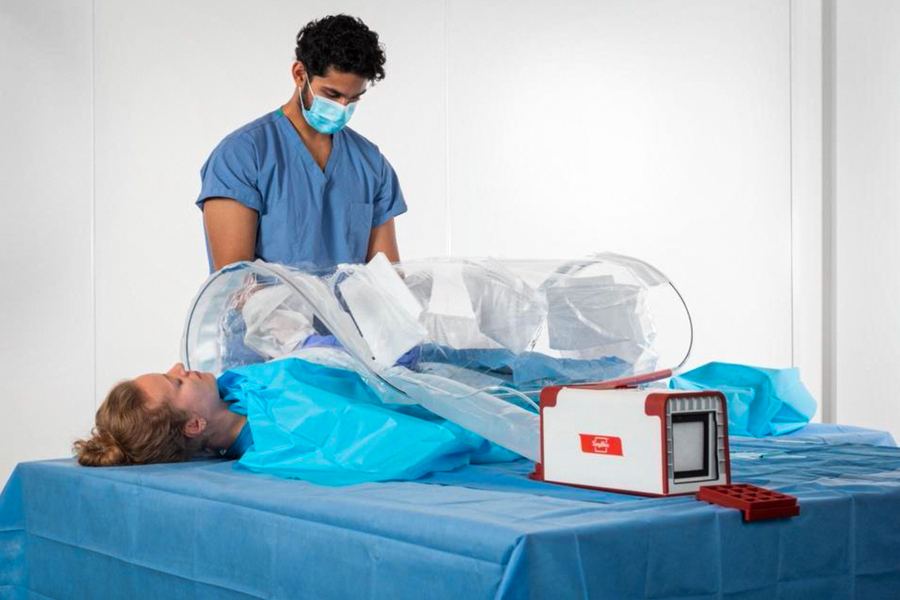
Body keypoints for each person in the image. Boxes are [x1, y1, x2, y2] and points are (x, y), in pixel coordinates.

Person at [198, 14, 407, 273]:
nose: (342, 107)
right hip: (266, 314)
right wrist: (284, 313)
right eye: (332, 94)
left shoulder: (371, 164)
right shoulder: (242, 155)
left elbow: (387, 280)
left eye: (354, 98)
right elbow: (235, 282)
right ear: (300, 74)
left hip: (344, 317)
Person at [73, 363, 249, 467]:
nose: (179, 366)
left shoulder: (235, 383)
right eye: (178, 383)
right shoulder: (269, 440)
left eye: (167, 373)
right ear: (194, 425)